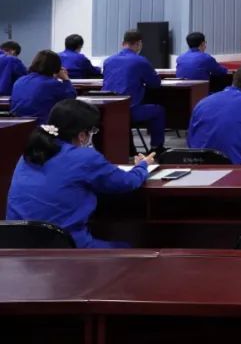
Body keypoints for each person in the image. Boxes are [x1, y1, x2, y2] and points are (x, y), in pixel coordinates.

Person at [6, 99, 154, 248]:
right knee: (131, 250)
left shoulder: (31, 153)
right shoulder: (85, 158)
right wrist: (142, 166)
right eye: (92, 131)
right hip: (65, 247)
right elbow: (126, 182)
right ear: (82, 135)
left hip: (16, 245)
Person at [102, 30, 166, 153]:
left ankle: (130, 147)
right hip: (128, 110)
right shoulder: (140, 61)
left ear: (122, 43)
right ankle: (156, 148)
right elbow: (155, 84)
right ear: (139, 44)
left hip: (107, 109)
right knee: (159, 111)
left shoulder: (108, 60)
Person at [10, 50, 77, 124]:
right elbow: (70, 99)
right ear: (56, 67)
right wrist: (66, 79)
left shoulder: (20, 80)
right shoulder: (52, 84)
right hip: (42, 125)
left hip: (17, 124)